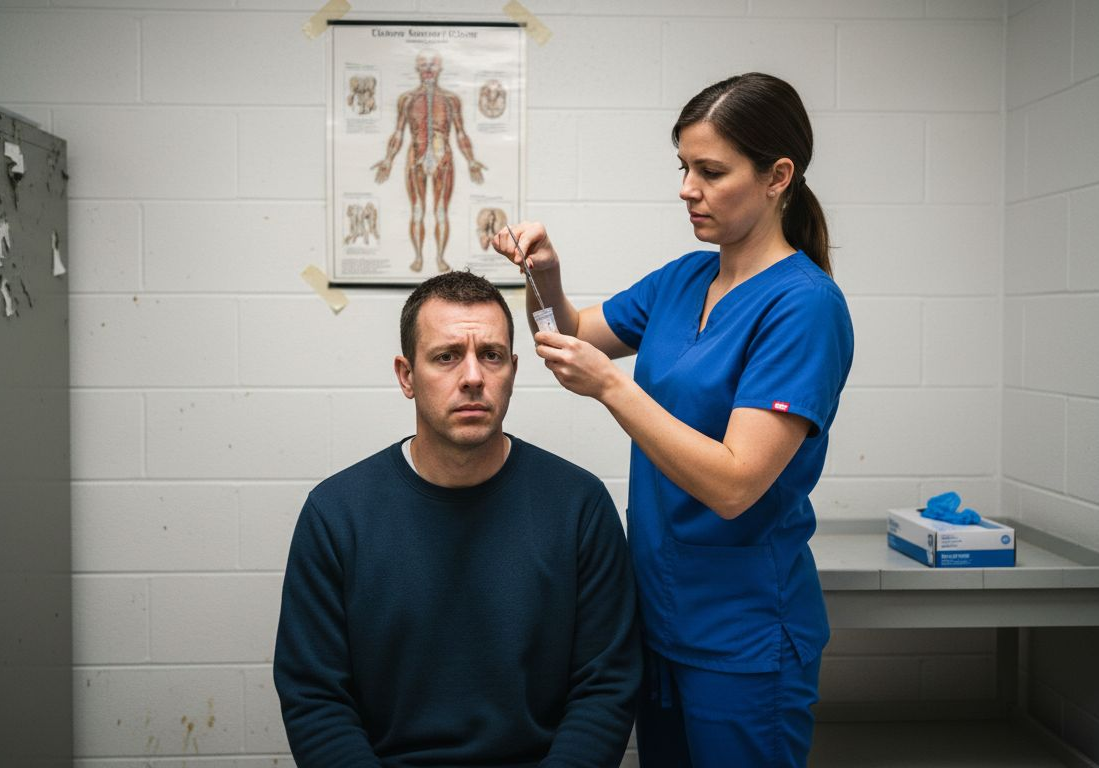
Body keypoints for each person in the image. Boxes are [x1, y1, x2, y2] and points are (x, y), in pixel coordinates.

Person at [493, 73, 854, 767]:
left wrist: (612, 390)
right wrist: (542, 277)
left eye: (711, 171)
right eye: (684, 167)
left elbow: (735, 484)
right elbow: (572, 333)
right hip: (660, 621)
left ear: (779, 176)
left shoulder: (803, 307)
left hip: (743, 636)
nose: (687, 188)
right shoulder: (685, 278)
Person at [273, 270, 641, 767]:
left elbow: (607, 688)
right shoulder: (336, 515)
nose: (472, 377)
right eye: (446, 357)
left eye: (490, 356)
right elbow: (315, 700)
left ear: (512, 370)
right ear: (406, 376)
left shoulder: (578, 506)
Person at [372, 50, 487, 274]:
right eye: (423, 65)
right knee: (417, 210)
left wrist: (471, 160)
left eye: (432, 65)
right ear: (417, 69)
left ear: (439, 68)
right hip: (416, 157)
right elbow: (398, 133)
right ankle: (418, 257)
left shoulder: (451, 100)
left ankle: (440, 258)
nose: (428, 70)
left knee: (441, 210)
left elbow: (461, 133)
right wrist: (388, 159)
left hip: (443, 157)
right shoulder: (406, 99)